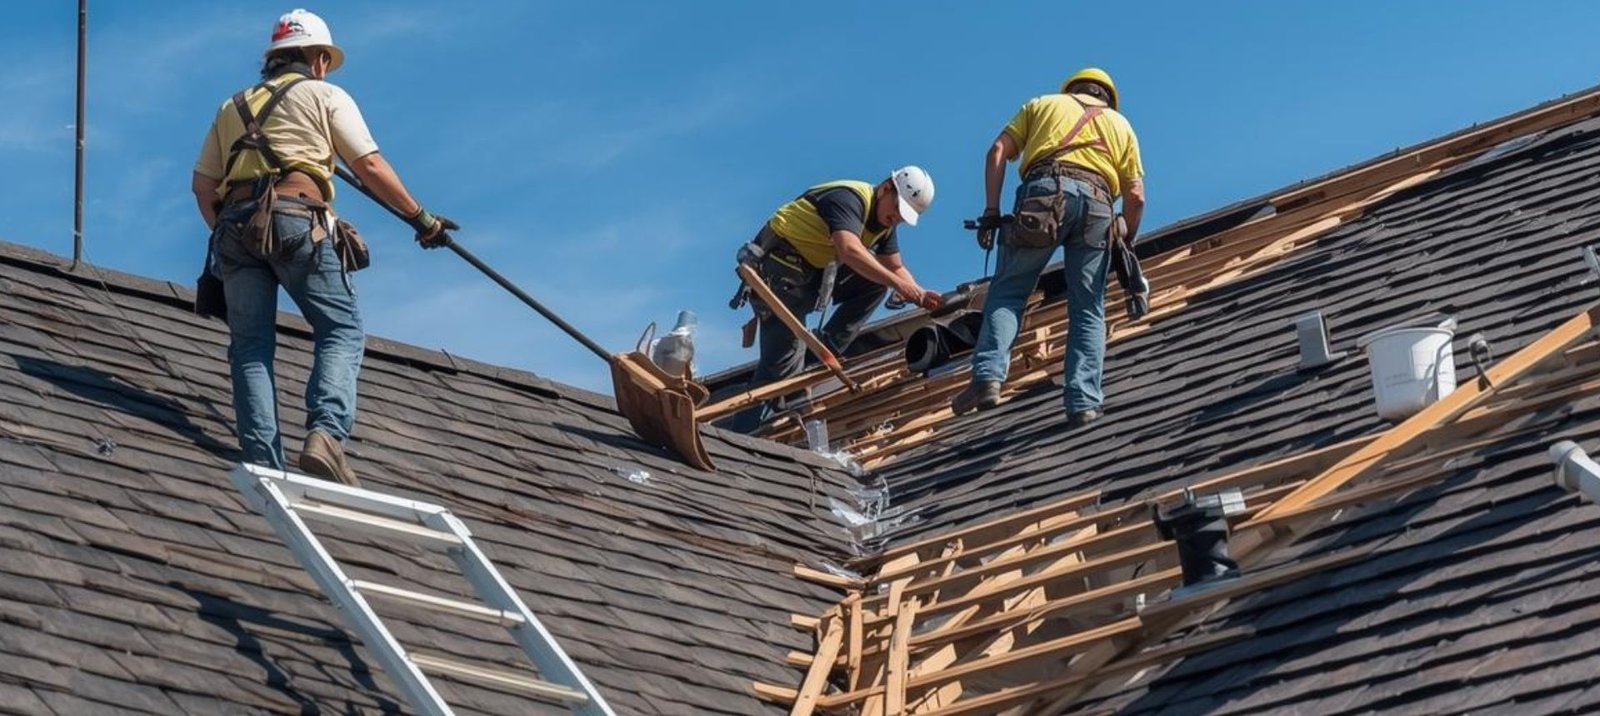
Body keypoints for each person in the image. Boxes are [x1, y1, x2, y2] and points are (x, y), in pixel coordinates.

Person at [190, 9, 457, 484]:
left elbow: (202, 186)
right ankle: (327, 435)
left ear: (273, 60)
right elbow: (370, 167)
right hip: (296, 217)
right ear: (316, 59)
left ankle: (265, 465)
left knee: (250, 347)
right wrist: (422, 219)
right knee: (341, 328)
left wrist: (229, 234)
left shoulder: (231, 107)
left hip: (232, 227)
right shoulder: (325, 95)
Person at [951, 68, 1146, 427]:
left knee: (1009, 290)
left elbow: (997, 151)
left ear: (1071, 89)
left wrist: (992, 211)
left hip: (1044, 195)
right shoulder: (1122, 126)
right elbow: (1135, 196)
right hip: (1100, 208)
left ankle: (988, 377)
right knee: (1088, 308)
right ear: (1107, 98)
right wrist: (1126, 239)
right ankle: (1083, 401)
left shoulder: (1043, 104)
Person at [730, 167, 943, 433]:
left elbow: (896, 267)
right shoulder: (848, 199)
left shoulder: (883, 222)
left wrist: (920, 293)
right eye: (897, 210)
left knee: (877, 283)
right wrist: (899, 285)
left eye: (902, 217)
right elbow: (849, 249)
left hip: (810, 276)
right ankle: (738, 434)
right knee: (778, 370)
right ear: (887, 187)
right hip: (778, 269)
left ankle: (819, 353)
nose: (896, 219)